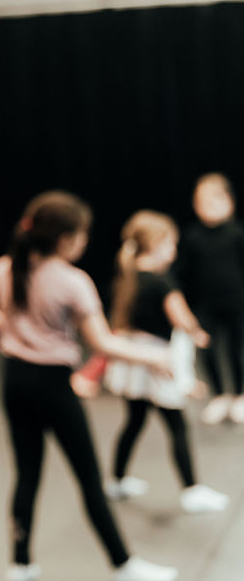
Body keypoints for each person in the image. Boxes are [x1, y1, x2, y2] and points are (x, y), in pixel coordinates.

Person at [0, 191, 178, 581]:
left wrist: (9, 330)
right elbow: (103, 343)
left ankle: (20, 563)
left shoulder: (7, 266)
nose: (85, 241)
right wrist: (155, 358)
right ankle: (123, 564)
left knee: (27, 474)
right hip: (52, 386)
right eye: (82, 234)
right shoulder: (73, 282)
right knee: (89, 479)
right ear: (65, 239)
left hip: (14, 380)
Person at [102, 211, 228, 513]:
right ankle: (192, 490)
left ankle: (117, 479)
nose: (173, 252)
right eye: (171, 245)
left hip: (133, 359)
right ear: (156, 244)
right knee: (177, 425)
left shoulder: (128, 275)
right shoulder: (162, 282)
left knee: (134, 421)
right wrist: (196, 333)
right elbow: (180, 317)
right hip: (156, 359)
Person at [175, 173, 244, 424]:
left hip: (237, 303)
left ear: (229, 202)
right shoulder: (193, 237)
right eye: (201, 202)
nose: (208, 207)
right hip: (206, 306)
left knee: (237, 351)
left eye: (214, 201)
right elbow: (184, 274)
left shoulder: (236, 234)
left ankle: (238, 395)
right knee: (209, 351)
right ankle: (218, 396)